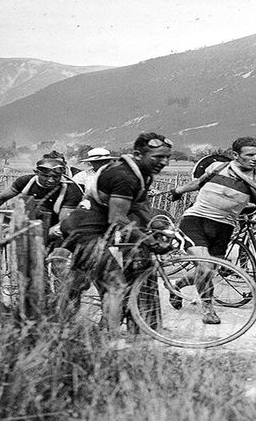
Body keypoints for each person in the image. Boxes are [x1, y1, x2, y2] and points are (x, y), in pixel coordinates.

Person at [166, 136, 256, 324]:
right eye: (250, 155)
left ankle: (176, 284)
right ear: (235, 155)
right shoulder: (216, 167)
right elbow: (197, 183)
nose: (255, 159)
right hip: (196, 220)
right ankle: (208, 309)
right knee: (205, 265)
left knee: (209, 270)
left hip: (224, 227)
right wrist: (177, 191)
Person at [59, 132, 172, 333]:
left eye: (166, 157)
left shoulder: (142, 174)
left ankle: (56, 323)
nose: (164, 162)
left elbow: (138, 207)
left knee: (77, 283)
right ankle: (111, 341)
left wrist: (158, 226)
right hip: (85, 231)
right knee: (116, 285)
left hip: (96, 230)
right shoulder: (124, 176)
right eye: (157, 157)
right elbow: (117, 218)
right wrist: (148, 240)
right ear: (138, 154)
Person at [0, 157, 84, 246]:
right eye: (46, 176)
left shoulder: (71, 190)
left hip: (52, 229)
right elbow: (1, 198)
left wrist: (40, 237)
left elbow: (63, 223)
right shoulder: (24, 181)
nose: (51, 180)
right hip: (23, 224)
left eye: (56, 177)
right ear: (36, 172)